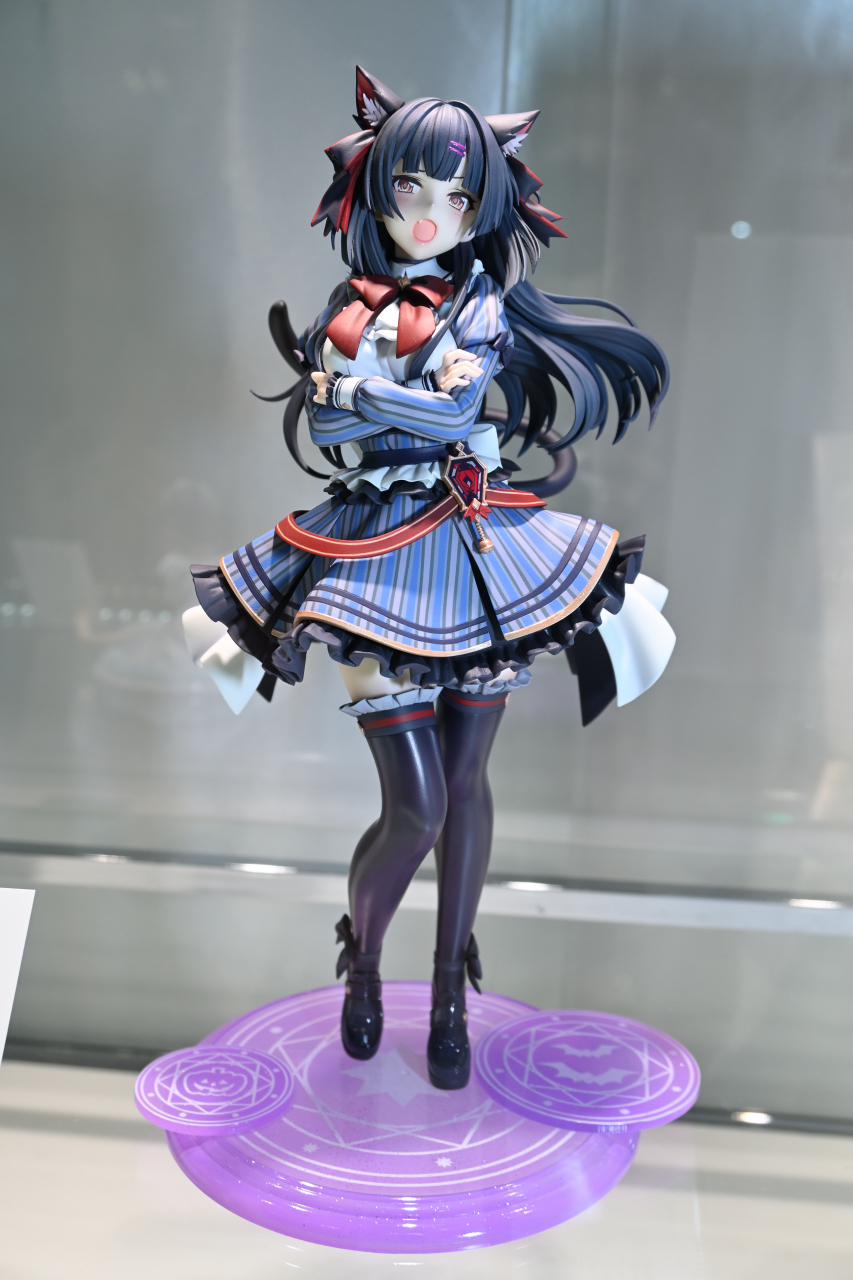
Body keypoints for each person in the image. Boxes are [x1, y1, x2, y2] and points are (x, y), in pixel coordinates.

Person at [183, 67, 674, 1090]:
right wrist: (389, 399)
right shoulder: (349, 308)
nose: (429, 215)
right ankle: (364, 956)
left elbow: (445, 417)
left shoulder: (480, 304)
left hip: (477, 548)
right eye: (411, 188)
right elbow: (331, 430)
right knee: (413, 805)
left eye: (455, 197)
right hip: (373, 557)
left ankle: (450, 982)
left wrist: (369, 395)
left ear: (479, 207)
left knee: (462, 784)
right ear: (374, 189)